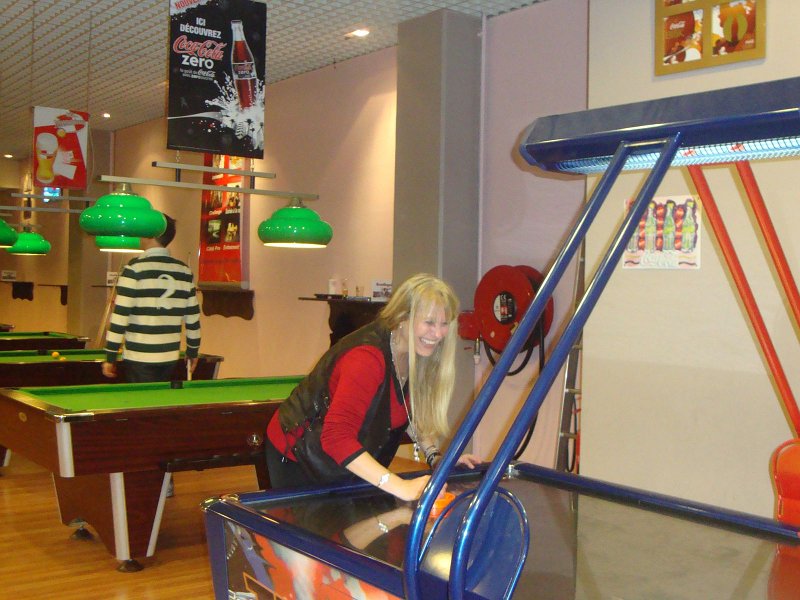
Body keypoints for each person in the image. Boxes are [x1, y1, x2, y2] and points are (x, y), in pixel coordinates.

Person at [265, 273, 480, 501]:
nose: (437, 334)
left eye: (444, 324)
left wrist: (436, 458)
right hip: (299, 455)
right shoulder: (366, 359)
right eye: (429, 322)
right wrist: (400, 486)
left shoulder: (415, 353)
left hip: (342, 459)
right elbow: (336, 438)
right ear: (402, 317)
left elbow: (407, 411)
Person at [102, 214, 201, 383]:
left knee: (142, 400)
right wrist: (193, 352)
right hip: (170, 356)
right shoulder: (184, 271)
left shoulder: (134, 269)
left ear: (150, 233)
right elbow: (193, 319)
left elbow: (120, 317)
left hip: (139, 357)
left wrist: (110, 356)